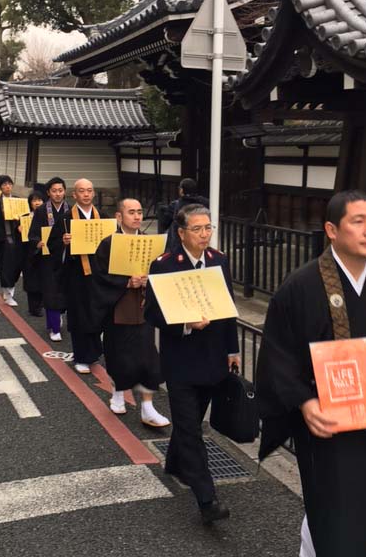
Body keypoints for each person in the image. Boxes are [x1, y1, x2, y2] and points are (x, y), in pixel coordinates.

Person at [256, 190, 366, 557]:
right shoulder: (302, 286)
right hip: (328, 421)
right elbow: (278, 354)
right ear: (331, 229)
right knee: (339, 516)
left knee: (363, 507)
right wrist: (304, 401)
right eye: (358, 222)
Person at [145, 203, 240, 524]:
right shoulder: (164, 265)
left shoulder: (219, 260)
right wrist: (185, 323)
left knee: (191, 422)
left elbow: (228, 309)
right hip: (181, 361)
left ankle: (174, 462)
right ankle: (207, 499)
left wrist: (233, 350)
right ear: (181, 232)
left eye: (208, 227)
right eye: (197, 229)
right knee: (190, 428)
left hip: (213, 358)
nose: (204, 234)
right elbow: (152, 314)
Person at [93, 198, 170, 427]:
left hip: (143, 310)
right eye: (131, 212)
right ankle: (118, 393)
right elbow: (99, 278)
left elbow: (161, 274)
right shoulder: (108, 244)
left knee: (148, 359)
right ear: (119, 216)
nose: (137, 217)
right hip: (118, 309)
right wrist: (126, 283)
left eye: (139, 212)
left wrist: (149, 280)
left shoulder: (149, 243)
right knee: (120, 357)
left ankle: (147, 408)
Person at [48, 178, 107, 373]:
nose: (86, 194)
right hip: (76, 276)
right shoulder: (65, 219)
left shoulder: (103, 218)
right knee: (80, 316)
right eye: (82, 191)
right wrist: (63, 243)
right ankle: (81, 356)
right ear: (74, 195)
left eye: (90, 190)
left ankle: (93, 353)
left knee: (97, 315)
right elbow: (52, 245)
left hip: (99, 276)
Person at [28, 177, 68, 340]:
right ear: (48, 193)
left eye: (60, 190)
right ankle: (55, 328)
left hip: (66, 256)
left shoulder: (70, 210)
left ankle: (57, 316)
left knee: (64, 291)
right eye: (54, 191)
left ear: (65, 191)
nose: (58, 194)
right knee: (51, 291)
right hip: (48, 257)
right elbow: (33, 233)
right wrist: (37, 242)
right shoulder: (42, 210)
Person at [0, 175, 23, 307]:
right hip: (4, 239)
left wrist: (20, 223)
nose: (7, 187)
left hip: (17, 238)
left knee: (17, 266)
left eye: (9, 184)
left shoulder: (18, 200)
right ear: (0, 187)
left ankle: (10, 290)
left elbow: (25, 217)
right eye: (4, 185)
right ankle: (7, 294)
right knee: (6, 267)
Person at [158, 178, 209, 252]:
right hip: (200, 238)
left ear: (181, 190)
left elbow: (165, 222)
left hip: (179, 242)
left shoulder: (176, 205)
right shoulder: (205, 202)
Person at [22, 191, 45, 318]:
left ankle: (40, 305)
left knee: (42, 279)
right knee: (31, 281)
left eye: (40, 200)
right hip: (29, 253)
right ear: (30, 203)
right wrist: (18, 229)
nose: (37, 203)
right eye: (34, 200)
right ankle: (33, 307)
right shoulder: (25, 217)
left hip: (43, 251)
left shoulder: (47, 216)